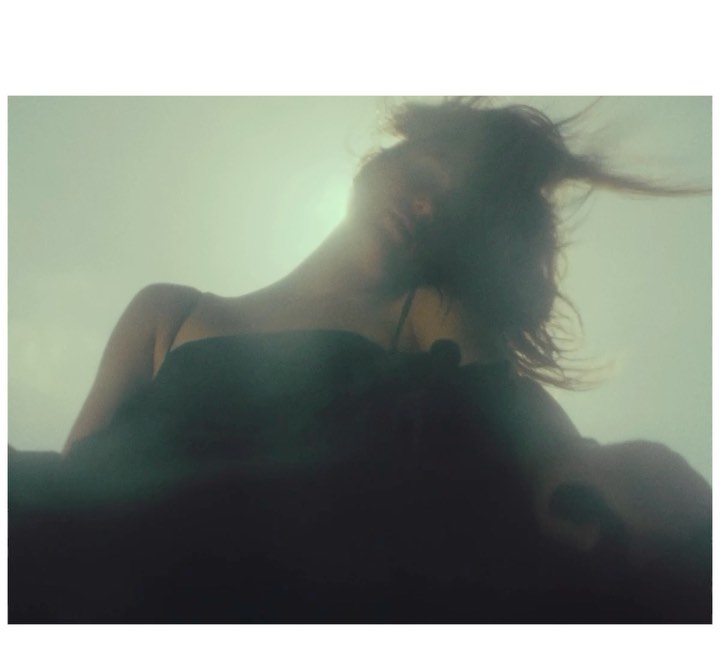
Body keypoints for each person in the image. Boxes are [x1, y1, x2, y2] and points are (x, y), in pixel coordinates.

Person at [8, 98, 711, 623]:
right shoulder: (167, 313)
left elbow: (553, 456)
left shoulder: (430, 318)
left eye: (454, 208)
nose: (427, 205)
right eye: (425, 173)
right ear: (379, 161)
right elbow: (74, 488)